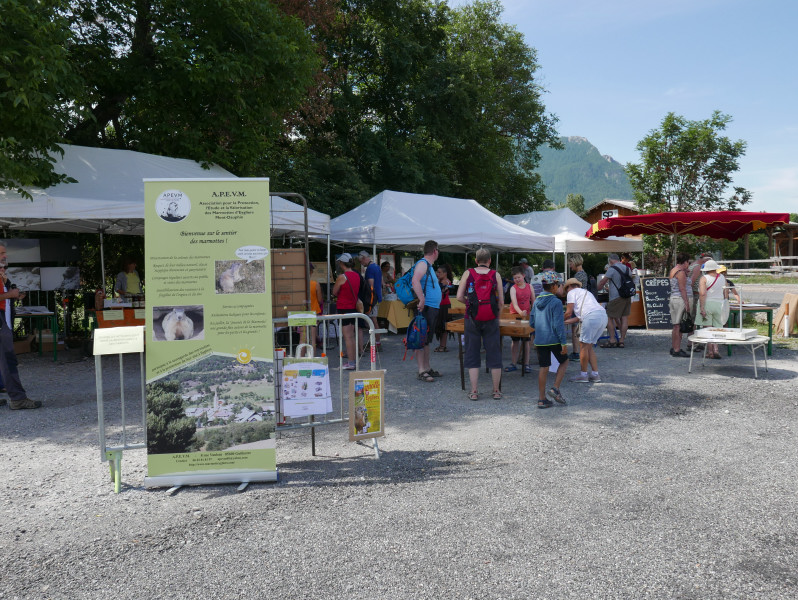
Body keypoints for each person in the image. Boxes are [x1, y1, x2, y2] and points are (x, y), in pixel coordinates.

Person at [456, 248, 504, 400]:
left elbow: (458, 297)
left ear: (476, 260)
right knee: (494, 353)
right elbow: (501, 301)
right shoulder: (495, 274)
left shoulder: (468, 273)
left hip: (471, 318)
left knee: (472, 353)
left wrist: (470, 303)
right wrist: (497, 314)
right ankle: (496, 391)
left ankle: (474, 391)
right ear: (489, 261)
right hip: (491, 318)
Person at [0, 245, 41, 409]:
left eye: (4, 253)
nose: (5, 255)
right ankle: (17, 399)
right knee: (8, 360)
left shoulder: (2, 274)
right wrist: (10, 294)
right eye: (1, 253)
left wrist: (11, 291)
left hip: (4, 319)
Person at [529, 272, 569, 408]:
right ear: (553, 286)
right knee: (564, 361)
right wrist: (564, 343)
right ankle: (555, 388)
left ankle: (541, 399)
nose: (558, 287)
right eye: (558, 285)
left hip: (540, 340)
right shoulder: (556, 302)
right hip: (554, 339)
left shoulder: (536, 301)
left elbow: (532, 322)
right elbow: (558, 325)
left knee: (543, 367)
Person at [563, 277, 607, 383]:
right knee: (589, 347)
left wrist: (558, 320)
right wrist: (564, 322)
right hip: (602, 316)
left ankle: (583, 375)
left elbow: (568, 313)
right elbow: (579, 316)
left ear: (569, 287)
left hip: (591, 317)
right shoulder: (586, 293)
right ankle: (595, 374)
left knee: (582, 346)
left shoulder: (571, 293)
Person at [411, 240, 442, 382]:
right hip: (426, 307)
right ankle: (421, 370)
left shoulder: (427, 265)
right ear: (435, 251)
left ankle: (427, 367)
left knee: (426, 340)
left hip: (431, 307)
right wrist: (422, 299)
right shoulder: (423, 263)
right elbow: (415, 280)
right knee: (421, 338)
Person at [331, 253, 360, 370]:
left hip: (344, 308)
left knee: (347, 336)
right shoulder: (357, 275)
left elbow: (334, 292)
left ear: (342, 263)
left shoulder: (342, 277)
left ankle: (351, 362)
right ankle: (353, 360)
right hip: (353, 307)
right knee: (351, 336)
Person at [597, 253, 631, 348]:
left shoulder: (612, 269)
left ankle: (612, 339)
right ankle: (622, 341)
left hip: (616, 297)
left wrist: (597, 289)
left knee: (609, 317)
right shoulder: (627, 268)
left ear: (610, 261)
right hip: (627, 296)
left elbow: (603, 282)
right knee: (624, 318)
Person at [696, 259, 727, 359]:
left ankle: (710, 351)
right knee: (717, 328)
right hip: (719, 304)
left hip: (708, 303)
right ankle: (716, 349)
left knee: (708, 329)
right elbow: (726, 292)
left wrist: (701, 307)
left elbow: (702, 293)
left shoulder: (704, 278)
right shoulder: (722, 277)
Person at [505, 266, 534, 373]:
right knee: (515, 341)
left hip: (527, 316)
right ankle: (514, 362)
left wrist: (533, 312)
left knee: (526, 341)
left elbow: (533, 301)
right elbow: (514, 302)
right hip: (516, 316)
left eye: (519, 277)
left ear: (524, 276)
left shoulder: (529, 286)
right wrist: (520, 312)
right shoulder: (513, 288)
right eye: (515, 278)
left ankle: (526, 363)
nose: (517, 279)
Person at [668, 252, 693, 357]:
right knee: (680, 325)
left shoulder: (674, 270)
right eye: (688, 262)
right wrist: (686, 303)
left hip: (674, 298)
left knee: (676, 325)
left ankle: (674, 347)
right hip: (680, 299)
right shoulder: (681, 273)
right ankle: (677, 349)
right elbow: (682, 289)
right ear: (685, 261)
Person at [358, 250, 383, 351]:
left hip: (372, 298)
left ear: (364, 258)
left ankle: (376, 343)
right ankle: (375, 342)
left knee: (372, 321)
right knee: (373, 320)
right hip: (377, 297)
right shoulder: (376, 266)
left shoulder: (369, 269)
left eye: (361, 262)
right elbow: (381, 282)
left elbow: (370, 285)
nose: (361, 264)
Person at [567, 254, 589, 359]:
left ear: (575, 262)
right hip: (582, 304)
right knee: (578, 329)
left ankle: (576, 352)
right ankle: (580, 352)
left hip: (578, 305)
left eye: (571, 264)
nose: (570, 266)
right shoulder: (583, 274)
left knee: (575, 329)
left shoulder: (578, 276)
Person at [434, 264, 453, 353]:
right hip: (440, 305)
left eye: (439, 272)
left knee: (443, 326)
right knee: (440, 326)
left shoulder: (446, 282)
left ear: (445, 273)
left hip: (444, 306)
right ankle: (442, 345)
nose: (437, 273)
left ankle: (443, 346)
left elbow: (440, 290)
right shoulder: (440, 281)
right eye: (437, 272)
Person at [305, 263, 324, 350]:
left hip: (301, 314)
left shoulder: (298, 285)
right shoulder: (315, 284)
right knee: (312, 339)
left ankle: (301, 360)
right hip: (313, 313)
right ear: (311, 272)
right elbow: (320, 300)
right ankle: (312, 360)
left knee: (302, 340)